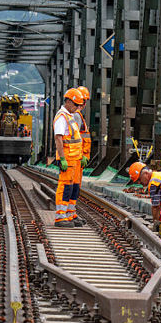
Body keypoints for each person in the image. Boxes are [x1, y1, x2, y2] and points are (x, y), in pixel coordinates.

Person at [53, 88, 87, 228]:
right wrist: (62, 158)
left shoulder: (71, 115)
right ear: (68, 102)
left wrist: (82, 156)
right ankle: (60, 216)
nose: (77, 108)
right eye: (76, 105)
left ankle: (70, 213)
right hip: (68, 158)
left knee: (74, 187)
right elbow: (59, 139)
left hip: (75, 159)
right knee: (65, 186)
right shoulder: (62, 117)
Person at [129, 161, 161, 229]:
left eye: (139, 179)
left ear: (146, 173)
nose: (139, 183)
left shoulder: (154, 182)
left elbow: (156, 207)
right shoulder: (158, 175)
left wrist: (155, 225)